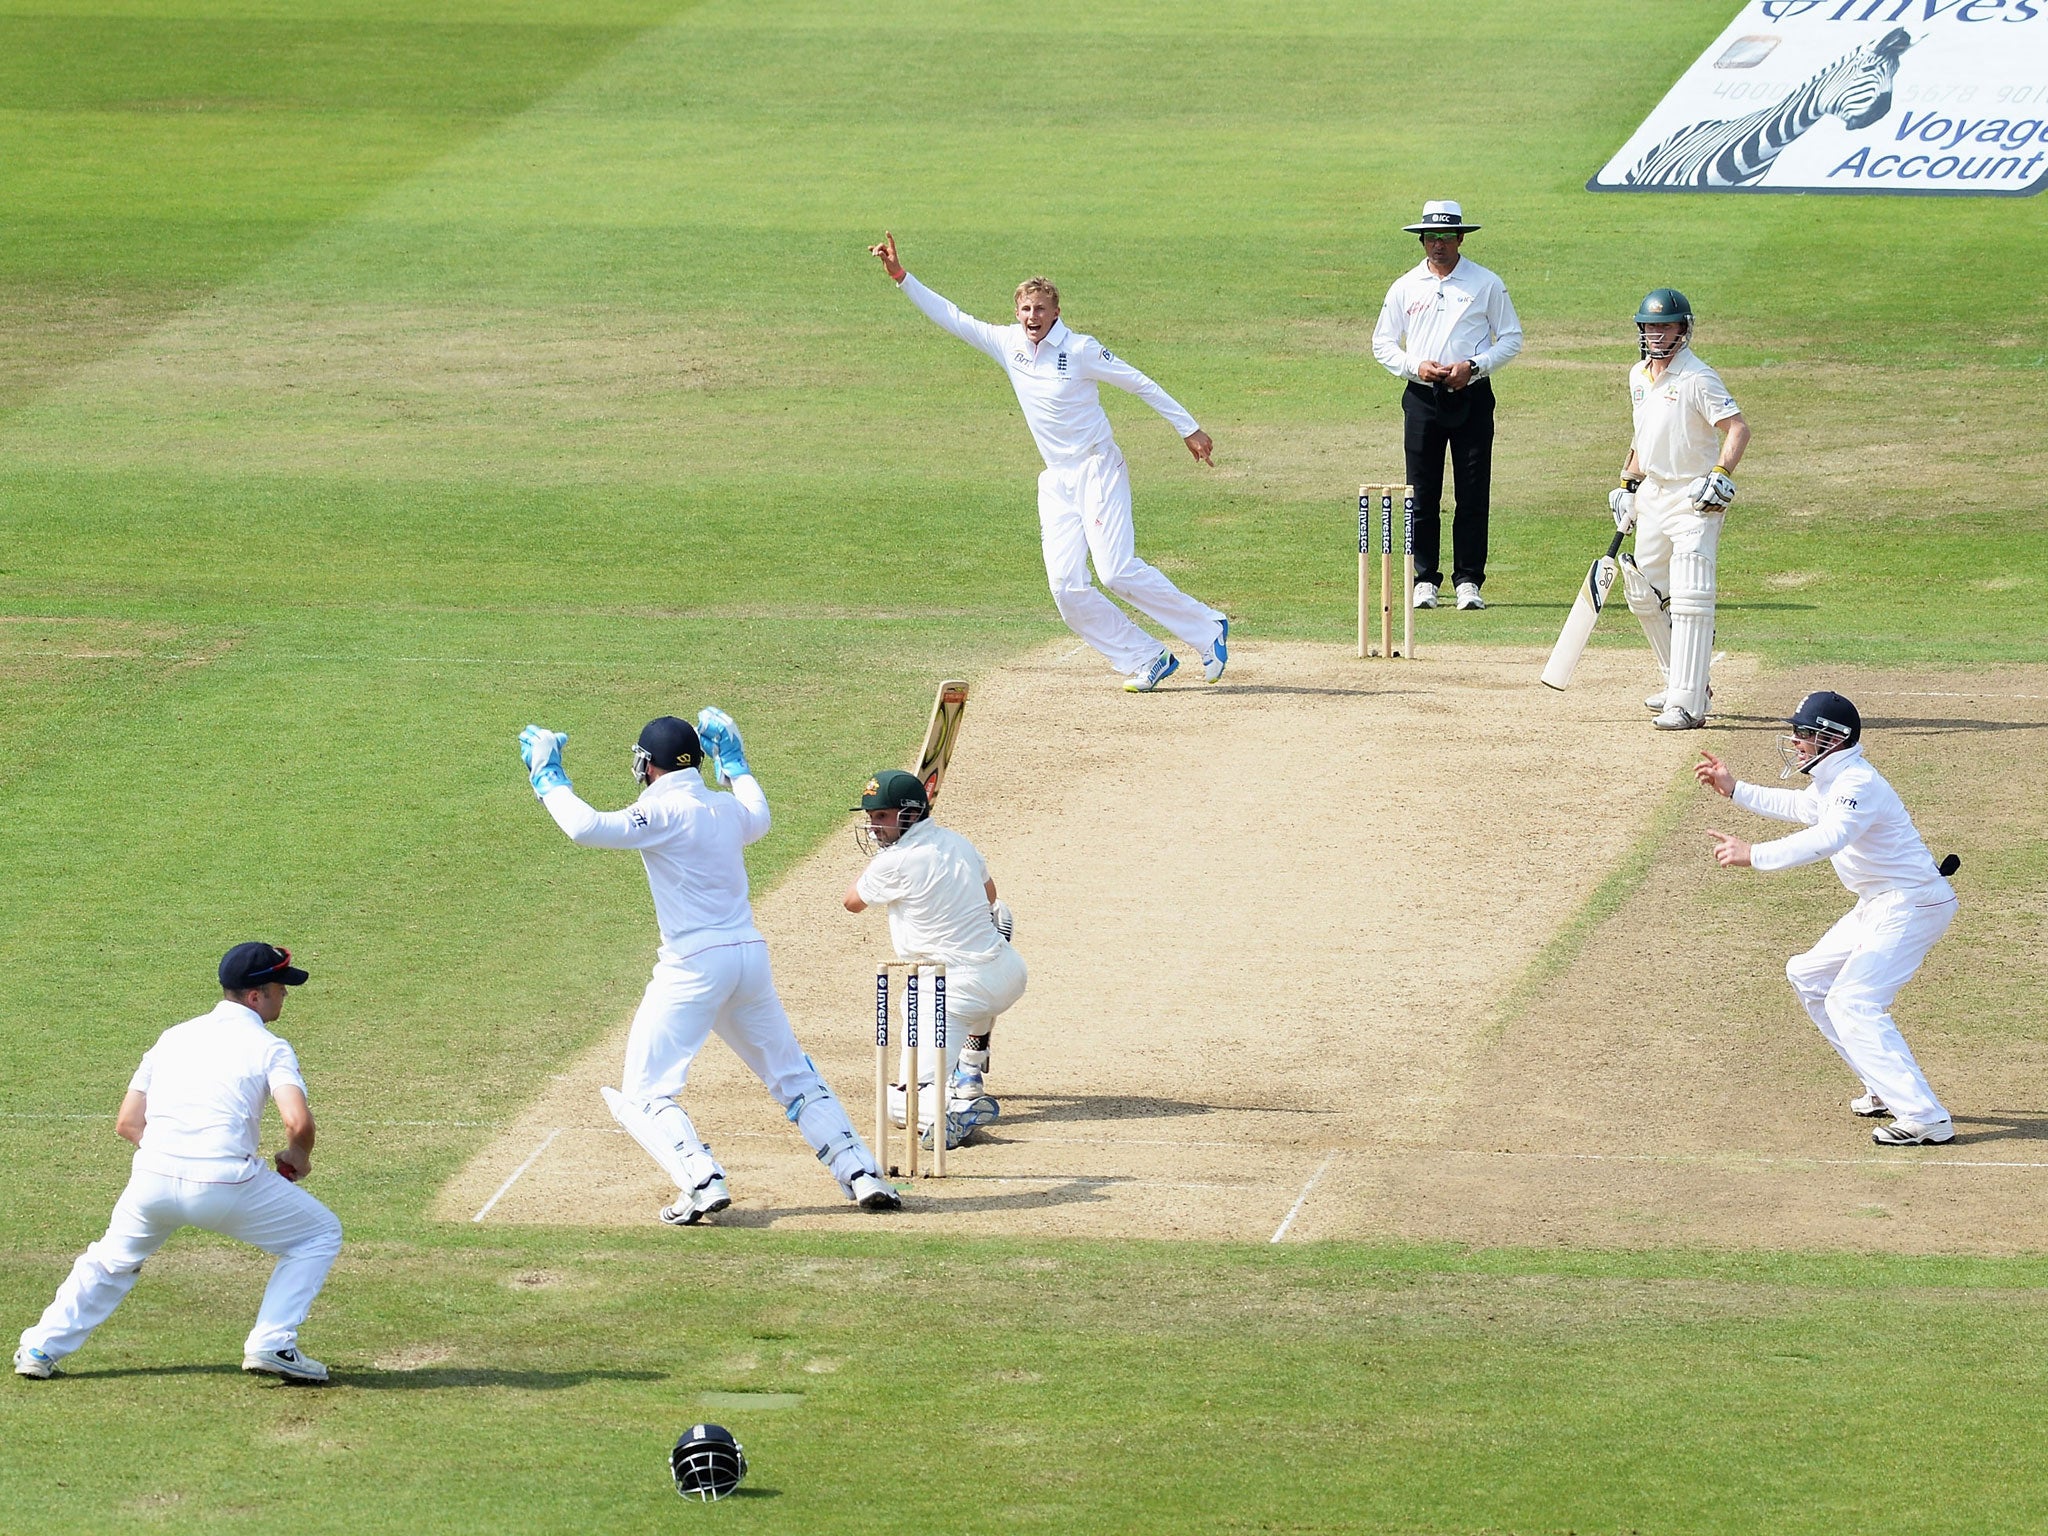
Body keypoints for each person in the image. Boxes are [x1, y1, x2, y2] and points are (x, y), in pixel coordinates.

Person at [517, 714, 900, 1221]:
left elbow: (586, 827)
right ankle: (861, 1174)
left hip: (693, 967)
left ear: (647, 766)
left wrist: (548, 778)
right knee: (792, 1075)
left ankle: (700, 1180)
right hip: (748, 958)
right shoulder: (724, 807)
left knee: (645, 1091)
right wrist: (737, 765)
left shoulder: (662, 813)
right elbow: (759, 816)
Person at [869, 232, 1228, 693]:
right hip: (1057, 481)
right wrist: (901, 277)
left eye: (1040, 309)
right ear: (1016, 313)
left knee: (1116, 571)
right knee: (1065, 587)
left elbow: (1139, 383)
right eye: (1025, 309)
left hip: (1098, 467)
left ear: (1056, 312)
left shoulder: (1079, 350)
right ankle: (1146, 656)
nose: (1032, 317)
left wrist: (1189, 428)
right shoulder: (1007, 344)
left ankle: (1208, 628)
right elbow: (952, 317)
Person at [15, 943, 344, 1383]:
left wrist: (175, 1155)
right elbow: (297, 1122)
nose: (285, 995)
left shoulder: (173, 1036)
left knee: (110, 1261)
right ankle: (272, 1343)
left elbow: (128, 1123)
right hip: (227, 1182)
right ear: (255, 996)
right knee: (319, 1233)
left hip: (152, 1180)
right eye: (280, 988)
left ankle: (40, 1347)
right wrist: (297, 1157)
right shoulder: (271, 1047)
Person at [1695, 691, 1959, 1146]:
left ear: (1832, 739)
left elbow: (1829, 838)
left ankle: (1924, 1117)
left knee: (1852, 1001)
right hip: (1880, 903)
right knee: (1808, 975)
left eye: (1804, 734)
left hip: (1911, 904)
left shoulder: (1857, 783)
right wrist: (1735, 789)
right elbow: (1802, 810)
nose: (1796, 741)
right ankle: (1883, 1087)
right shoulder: (1830, 780)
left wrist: (1754, 855)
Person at [841, 770, 1021, 1148]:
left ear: (908, 815)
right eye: (871, 817)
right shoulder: (957, 842)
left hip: (947, 992)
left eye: (882, 817)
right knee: (986, 935)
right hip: (1006, 974)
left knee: (905, 1107)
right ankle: (968, 1072)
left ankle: (952, 1111)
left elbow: (852, 902)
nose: (874, 827)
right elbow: (991, 895)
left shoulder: (895, 861)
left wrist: (883, 861)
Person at [1608, 287, 1751, 730]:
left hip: (1693, 496)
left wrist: (1721, 474)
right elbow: (1642, 435)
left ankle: (1688, 704)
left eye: (1664, 326)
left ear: (1683, 331)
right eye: (1649, 326)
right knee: (1643, 590)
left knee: (1689, 593)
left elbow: (1738, 429)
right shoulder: (1637, 376)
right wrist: (1628, 483)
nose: (1655, 334)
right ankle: (1680, 681)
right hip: (1653, 492)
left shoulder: (1698, 377)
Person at [1371, 200, 1523, 612]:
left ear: (1460, 238)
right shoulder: (1405, 286)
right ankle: (1425, 580)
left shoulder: (1486, 283)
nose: (1438, 245)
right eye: (1431, 238)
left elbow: (1510, 337)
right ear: (1422, 240)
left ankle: (1469, 581)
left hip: (1472, 396)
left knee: (1473, 493)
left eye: (1446, 237)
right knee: (1421, 491)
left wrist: (1474, 366)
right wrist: (1415, 366)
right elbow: (1382, 343)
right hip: (1422, 398)